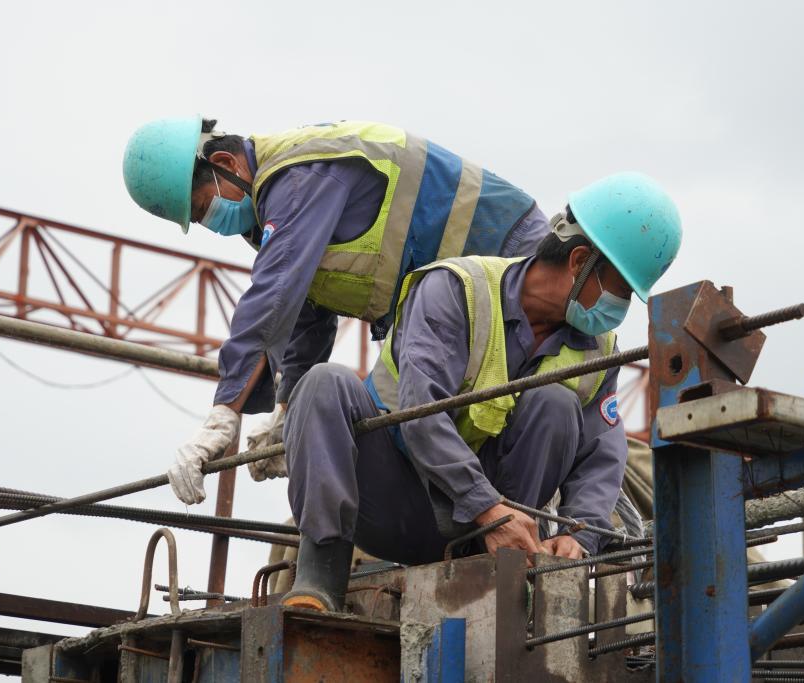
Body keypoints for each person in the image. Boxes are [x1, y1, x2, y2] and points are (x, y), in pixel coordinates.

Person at [279, 172, 683, 611]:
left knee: (556, 402)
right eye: (620, 291)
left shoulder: (599, 351)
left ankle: (506, 570)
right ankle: (320, 574)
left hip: (486, 535)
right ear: (578, 259)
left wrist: (577, 533)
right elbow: (421, 411)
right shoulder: (457, 290)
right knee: (323, 383)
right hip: (393, 496)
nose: (618, 310)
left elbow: (602, 456)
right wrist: (487, 508)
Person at [122, 118, 552, 503]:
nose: (211, 224)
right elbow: (310, 313)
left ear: (225, 163)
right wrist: (286, 411)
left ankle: (546, 527)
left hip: (509, 253)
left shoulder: (296, 179)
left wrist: (223, 414)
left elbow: (273, 294)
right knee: (412, 419)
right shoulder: (271, 207)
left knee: (489, 418)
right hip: (457, 291)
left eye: (202, 209)